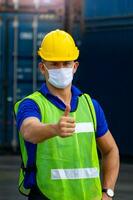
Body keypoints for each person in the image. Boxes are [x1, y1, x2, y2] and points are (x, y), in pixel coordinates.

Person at [14, 29, 119, 200]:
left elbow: (111, 150)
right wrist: (54, 129)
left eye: (66, 63)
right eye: (54, 64)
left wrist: (108, 192)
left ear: (75, 66)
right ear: (42, 67)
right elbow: (29, 130)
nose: (61, 68)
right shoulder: (31, 104)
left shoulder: (90, 105)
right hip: (46, 197)